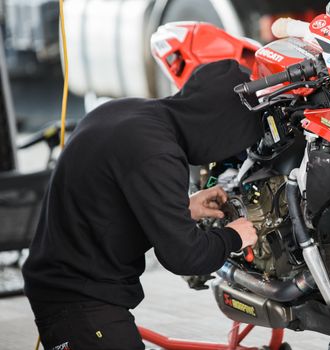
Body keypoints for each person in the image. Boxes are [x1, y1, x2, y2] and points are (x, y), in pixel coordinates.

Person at [22, 59, 261, 350]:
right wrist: (234, 236)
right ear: (221, 126)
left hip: (70, 283)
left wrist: (182, 207)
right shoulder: (158, 153)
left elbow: (106, 200)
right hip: (78, 301)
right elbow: (186, 257)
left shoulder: (130, 113)